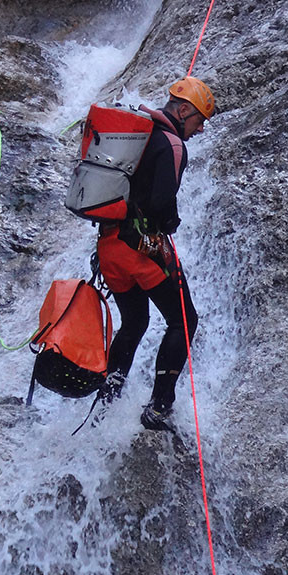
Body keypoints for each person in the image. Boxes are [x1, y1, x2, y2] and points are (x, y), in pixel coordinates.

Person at [94, 77, 216, 430]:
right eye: (199, 120)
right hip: (142, 250)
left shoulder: (136, 132)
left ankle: (108, 394)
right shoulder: (173, 144)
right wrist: (171, 221)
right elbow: (162, 205)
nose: (201, 129)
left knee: (135, 321)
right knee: (184, 320)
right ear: (182, 110)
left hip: (110, 248)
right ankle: (159, 407)